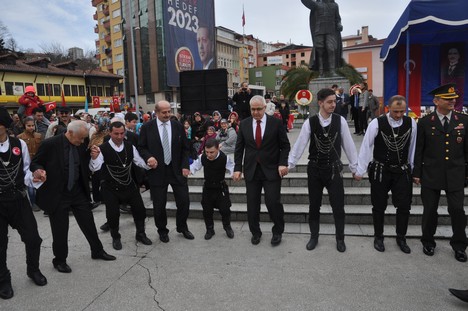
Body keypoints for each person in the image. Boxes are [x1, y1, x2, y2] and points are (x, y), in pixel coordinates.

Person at [31, 120, 116, 274]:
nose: (83, 141)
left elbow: (86, 164)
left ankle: (97, 250)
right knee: (60, 230)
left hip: (77, 191)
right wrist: (39, 171)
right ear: (70, 133)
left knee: (88, 223)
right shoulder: (50, 144)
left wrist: (94, 156)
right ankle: (60, 260)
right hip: (58, 194)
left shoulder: (81, 144)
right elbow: (35, 163)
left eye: (84, 138)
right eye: (81, 138)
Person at [288, 88, 358, 252]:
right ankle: (314, 236)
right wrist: (289, 165)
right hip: (315, 170)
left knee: (338, 206)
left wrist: (355, 168)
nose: (333, 104)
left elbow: (349, 146)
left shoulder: (340, 121)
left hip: (334, 169)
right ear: (320, 103)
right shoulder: (310, 122)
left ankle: (340, 239)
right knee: (314, 206)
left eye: (335, 101)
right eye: (329, 102)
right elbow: (299, 146)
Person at [413, 83, 468, 262]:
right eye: (447, 99)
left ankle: (460, 246)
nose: (452, 101)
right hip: (431, 173)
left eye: (453, 99)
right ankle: (428, 241)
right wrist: (417, 172)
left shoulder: (463, 120)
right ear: (436, 101)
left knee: (457, 210)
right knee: (430, 210)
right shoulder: (425, 122)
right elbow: (419, 150)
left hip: (456, 174)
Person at [354, 95, 417, 253]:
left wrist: (414, 170)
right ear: (388, 108)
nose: (399, 115)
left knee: (404, 206)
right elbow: (366, 147)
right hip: (381, 170)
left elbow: (413, 148)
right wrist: (360, 170)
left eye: (402, 111)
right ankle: (378, 237)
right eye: (395, 111)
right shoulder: (377, 123)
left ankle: (401, 237)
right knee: (379, 206)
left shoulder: (411, 123)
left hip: (402, 171)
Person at [0, 107, 47, 299]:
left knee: (33, 238)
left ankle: (33, 269)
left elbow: (26, 170)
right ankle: (3, 278)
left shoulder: (19, 143)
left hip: (18, 198)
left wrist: (35, 177)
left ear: (3, 125)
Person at [233, 95, 290, 246]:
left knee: (273, 203)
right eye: (253, 109)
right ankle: (255, 232)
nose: (256, 112)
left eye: (259, 109)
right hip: (252, 170)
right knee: (252, 204)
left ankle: (277, 231)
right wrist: (237, 168)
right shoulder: (244, 124)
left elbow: (285, 145)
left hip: (272, 170)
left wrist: (283, 163)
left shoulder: (276, 123)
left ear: (265, 107)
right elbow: (239, 149)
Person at [90, 121, 152, 250]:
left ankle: (140, 234)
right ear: (110, 133)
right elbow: (95, 168)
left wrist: (150, 164)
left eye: (122, 133)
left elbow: (139, 161)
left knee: (140, 210)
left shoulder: (130, 146)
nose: (119, 136)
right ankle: (115, 237)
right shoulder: (103, 148)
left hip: (129, 184)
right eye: (116, 133)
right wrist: (94, 157)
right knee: (112, 214)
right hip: (110, 187)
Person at [138, 100, 194, 242]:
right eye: (164, 112)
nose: (167, 114)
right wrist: (148, 157)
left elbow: (185, 148)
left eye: (169, 111)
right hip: (157, 171)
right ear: (156, 112)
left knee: (184, 201)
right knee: (159, 204)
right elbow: (141, 147)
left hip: (177, 170)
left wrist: (185, 165)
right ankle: (162, 230)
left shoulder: (177, 126)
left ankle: (182, 227)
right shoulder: (147, 127)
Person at [190, 138, 235, 240]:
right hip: (208, 187)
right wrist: (189, 170)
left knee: (225, 209)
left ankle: (227, 227)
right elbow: (195, 166)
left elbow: (232, 167)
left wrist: (234, 174)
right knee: (207, 210)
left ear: (218, 149)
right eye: (207, 152)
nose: (209, 155)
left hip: (220, 187)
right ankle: (210, 229)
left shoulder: (225, 158)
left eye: (212, 152)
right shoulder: (203, 157)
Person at [301, 0, 343, 76]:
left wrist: (339, 24)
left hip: (331, 30)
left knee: (331, 49)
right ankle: (321, 72)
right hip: (319, 30)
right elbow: (306, 2)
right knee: (320, 51)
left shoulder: (335, 5)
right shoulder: (317, 5)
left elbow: (338, 18)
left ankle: (332, 71)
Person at [17, 116, 43, 212]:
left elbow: (42, 149)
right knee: (30, 186)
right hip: (26, 164)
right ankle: (33, 203)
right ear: (25, 126)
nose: (31, 127)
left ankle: (40, 202)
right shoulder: (19, 137)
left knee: (39, 184)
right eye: (29, 126)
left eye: (32, 125)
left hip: (37, 163)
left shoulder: (39, 136)